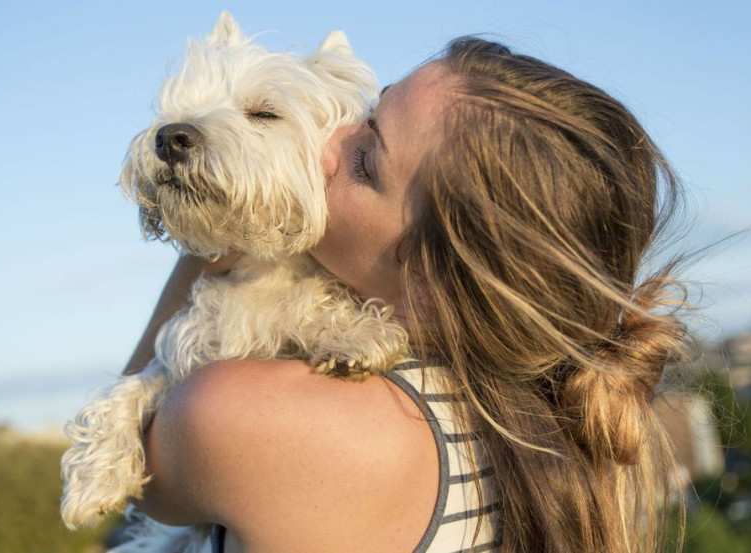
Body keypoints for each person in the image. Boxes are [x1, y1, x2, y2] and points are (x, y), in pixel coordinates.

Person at [125, 36, 689, 553]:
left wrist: (210, 243)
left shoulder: (247, 414)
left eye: (365, 162)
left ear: (433, 285)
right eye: (366, 118)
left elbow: (135, 467)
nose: (327, 145)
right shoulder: (535, 429)